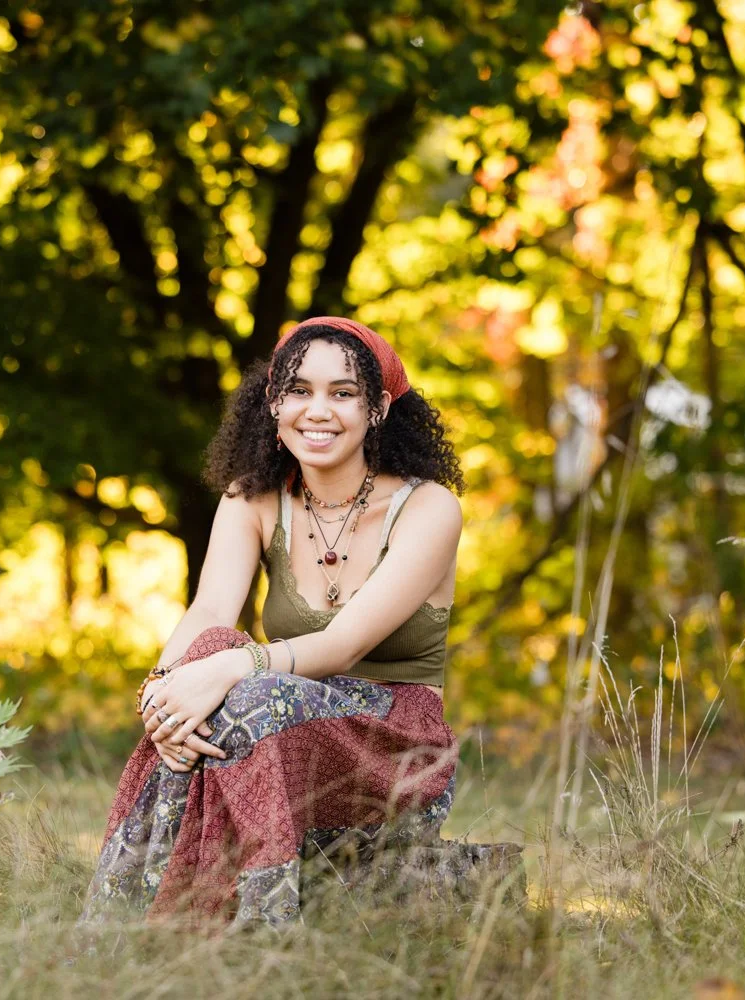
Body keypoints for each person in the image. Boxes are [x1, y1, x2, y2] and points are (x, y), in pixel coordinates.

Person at [81, 317, 465, 927]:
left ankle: (240, 929)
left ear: (379, 408)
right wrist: (161, 696)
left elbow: (341, 645)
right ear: (272, 402)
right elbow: (209, 611)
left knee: (243, 686)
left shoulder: (427, 507)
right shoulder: (253, 498)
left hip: (396, 744)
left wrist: (228, 670)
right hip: (271, 724)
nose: (319, 410)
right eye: (299, 390)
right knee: (210, 653)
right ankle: (149, 928)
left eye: (343, 393)